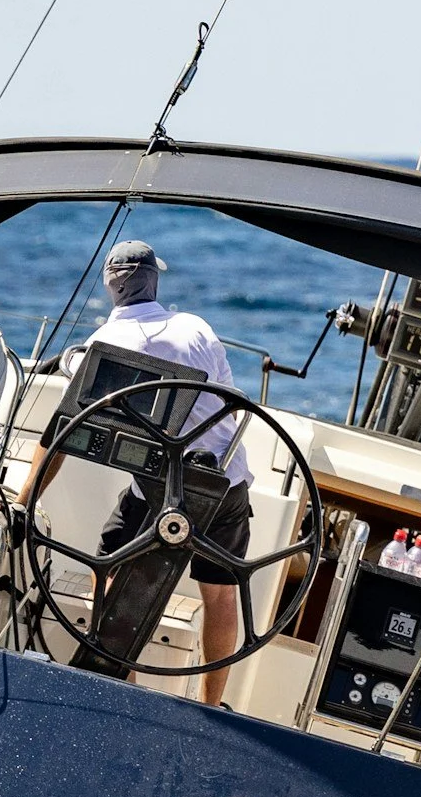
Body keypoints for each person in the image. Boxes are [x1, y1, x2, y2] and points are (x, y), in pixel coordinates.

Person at [30, 240, 255, 706]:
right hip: (223, 484)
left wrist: (23, 499)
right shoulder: (196, 328)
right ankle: (212, 707)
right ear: (155, 281)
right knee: (219, 595)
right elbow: (230, 406)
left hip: (157, 491)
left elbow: (63, 434)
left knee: (106, 561)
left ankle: (122, 678)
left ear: (111, 288)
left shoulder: (102, 346)